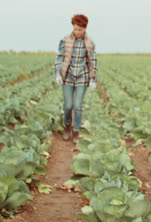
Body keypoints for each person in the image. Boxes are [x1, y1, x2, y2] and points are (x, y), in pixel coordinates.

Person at [54, 14, 97, 143]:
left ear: (85, 28)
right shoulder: (65, 40)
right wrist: (58, 73)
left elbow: (93, 61)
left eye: (80, 29)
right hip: (68, 76)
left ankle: (76, 130)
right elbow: (59, 57)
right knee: (68, 106)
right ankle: (67, 126)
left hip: (82, 77)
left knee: (77, 106)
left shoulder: (89, 43)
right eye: (75, 29)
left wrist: (93, 79)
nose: (77, 32)